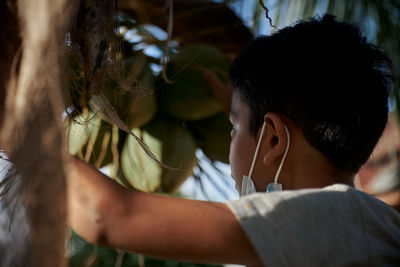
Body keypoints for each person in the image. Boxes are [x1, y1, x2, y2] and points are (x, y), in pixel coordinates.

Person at [67, 15, 400, 266]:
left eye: (233, 128)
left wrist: (24, 125)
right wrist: (244, 110)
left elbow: (106, 215)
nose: (230, 143)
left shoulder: (326, 218)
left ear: (273, 141)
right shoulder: (364, 224)